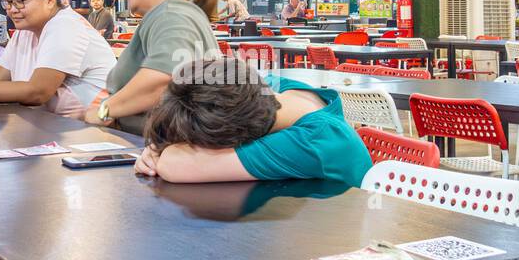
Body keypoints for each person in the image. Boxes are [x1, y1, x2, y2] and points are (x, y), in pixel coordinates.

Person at [136, 57, 371, 187]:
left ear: (237, 140)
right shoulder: (269, 90)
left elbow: (175, 165)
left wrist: (161, 152)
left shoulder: (314, 142)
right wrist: (159, 145)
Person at [85, 0, 219, 134]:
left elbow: (165, 80)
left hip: (162, 152)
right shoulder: (169, 14)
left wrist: (104, 110)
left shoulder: (172, 14)